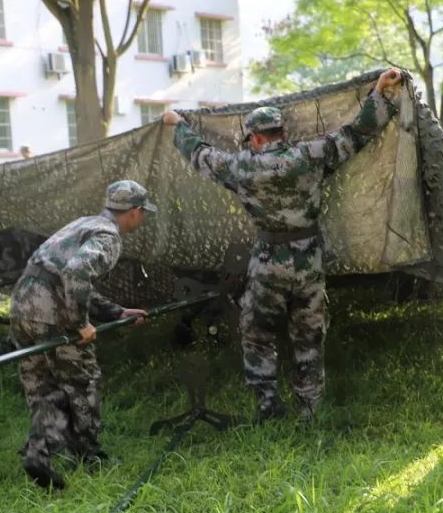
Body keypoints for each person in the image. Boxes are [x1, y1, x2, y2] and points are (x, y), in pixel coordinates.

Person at [162, 68, 403, 423]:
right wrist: (381, 93)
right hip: (308, 262)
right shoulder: (309, 156)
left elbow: (200, 155)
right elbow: (356, 133)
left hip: (267, 264)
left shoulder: (240, 167)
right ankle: (309, 410)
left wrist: (176, 125)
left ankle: (268, 408)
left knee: (258, 336)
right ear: (282, 132)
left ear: (255, 138)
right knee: (308, 338)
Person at [9, 180, 155, 489]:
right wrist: (79, 324)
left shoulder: (85, 223)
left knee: (41, 382)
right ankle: (85, 454)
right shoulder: (108, 236)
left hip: (23, 304)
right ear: (133, 211)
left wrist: (116, 311)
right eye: (143, 214)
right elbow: (75, 273)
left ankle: (39, 446)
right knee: (81, 381)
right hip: (52, 311)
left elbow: (64, 275)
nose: (142, 220)